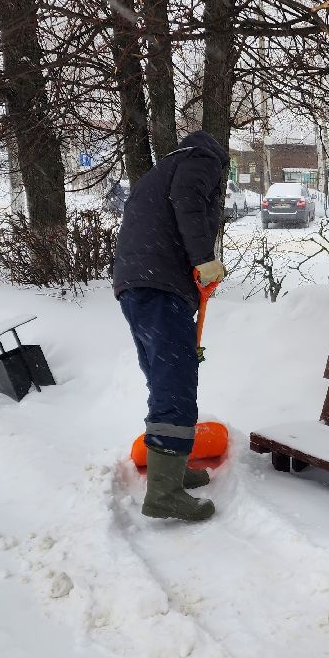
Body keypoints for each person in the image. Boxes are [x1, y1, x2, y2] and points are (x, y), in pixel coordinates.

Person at [112, 130, 228, 521]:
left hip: (137, 284)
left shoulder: (162, 169)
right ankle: (163, 493)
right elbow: (189, 205)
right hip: (159, 286)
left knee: (164, 377)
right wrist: (203, 258)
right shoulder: (202, 161)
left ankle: (172, 472)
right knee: (175, 382)